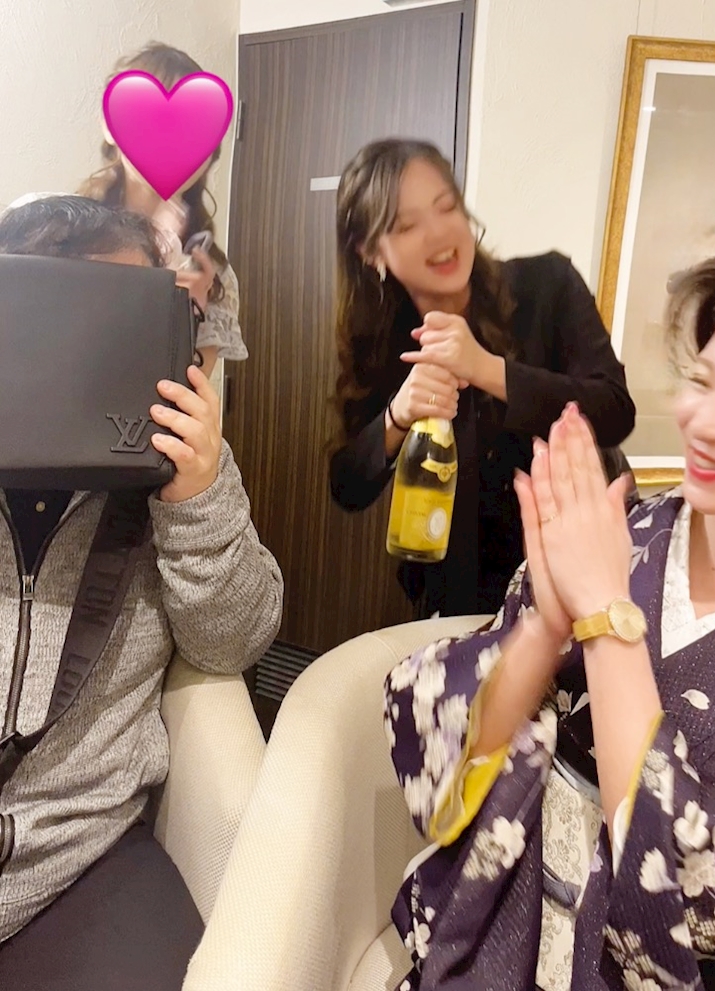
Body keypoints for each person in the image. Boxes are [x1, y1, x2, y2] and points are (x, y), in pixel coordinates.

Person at [385, 239, 715, 990]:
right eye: (701, 382)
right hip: (501, 935)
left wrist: (604, 619)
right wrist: (546, 628)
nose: (700, 421)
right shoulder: (622, 532)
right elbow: (448, 749)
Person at [0, 196, 283, 991]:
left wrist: (195, 497)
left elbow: (235, 640)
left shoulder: (178, 471)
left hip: (82, 855)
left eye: (124, 322)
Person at [329, 139, 636, 618]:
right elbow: (347, 486)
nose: (438, 233)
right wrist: (396, 416)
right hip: (457, 602)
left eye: (446, 206)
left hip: (576, 587)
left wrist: (487, 369)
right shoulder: (382, 342)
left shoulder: (547, 286)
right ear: (371, 252)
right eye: (407, 225)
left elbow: (615, 411)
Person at [76, 41, 248, 377]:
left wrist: (186, 314)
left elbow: (186, 390)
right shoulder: (67, 234)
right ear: (110, 126)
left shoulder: (214, 276)